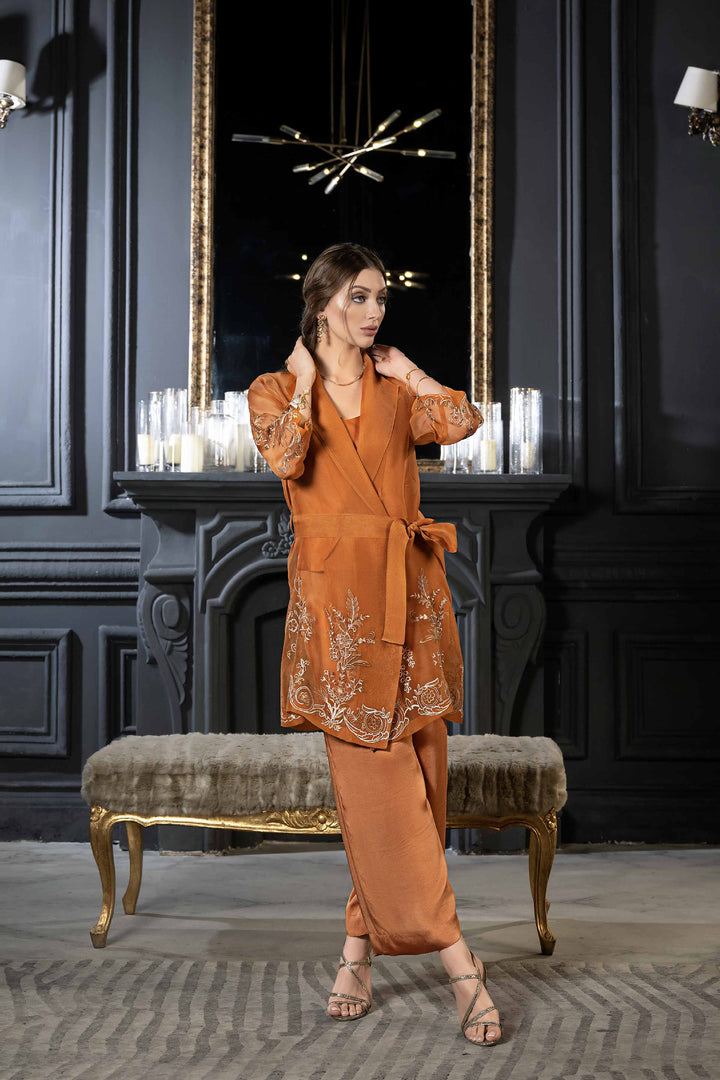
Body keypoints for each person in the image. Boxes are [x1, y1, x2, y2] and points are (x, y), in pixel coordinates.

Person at [247, 242, 502, 1046]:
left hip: (414, 598)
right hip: (341, 614)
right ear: (322, 301)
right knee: (378, 789)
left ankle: (357, 952)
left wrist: (415, 371)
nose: (374, 311)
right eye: (358, 297)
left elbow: (461, 422)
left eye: (382, 298)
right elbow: (286, 457)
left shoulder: (395, 390)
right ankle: (460, 963)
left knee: (422, 782)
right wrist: (305, 381)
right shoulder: (274, 391)